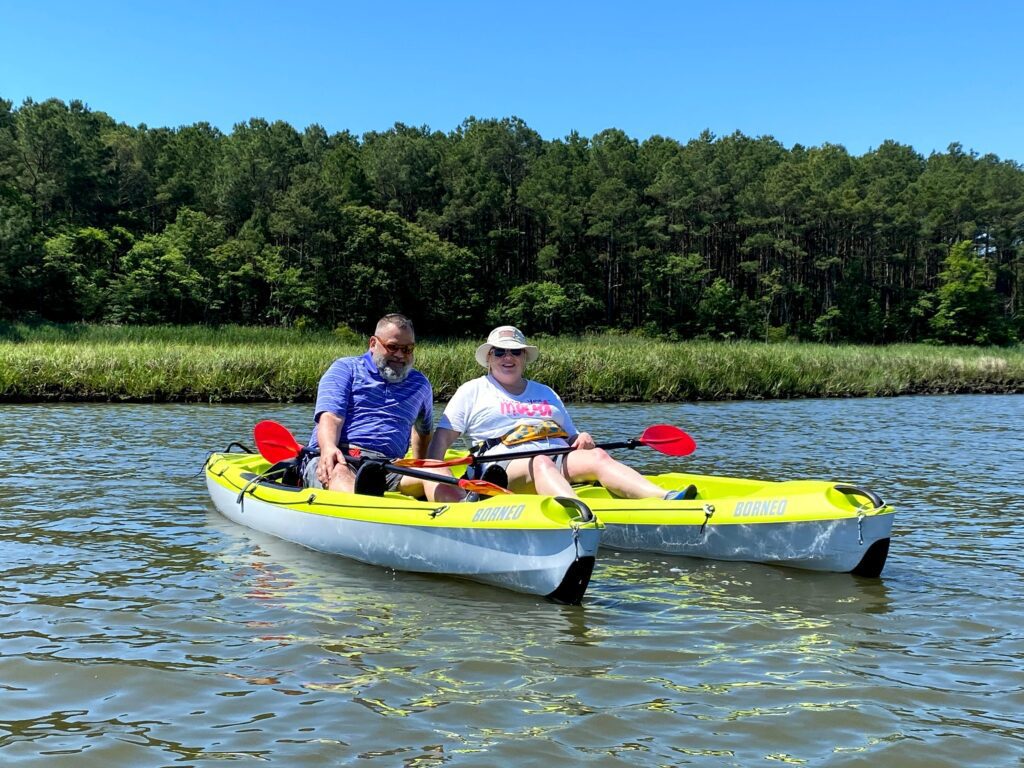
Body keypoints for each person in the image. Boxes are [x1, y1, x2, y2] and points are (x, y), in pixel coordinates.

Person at [427, 325, 690, 500]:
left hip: (557, 458)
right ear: (489, 357)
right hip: (499, 470)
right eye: (499, 352)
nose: (508, 357)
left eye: (515, 351)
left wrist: (581, 439)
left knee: (597, 455)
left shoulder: (546, 392)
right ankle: (578, 516)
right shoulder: (472, 390)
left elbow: (571, 437)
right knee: (540, 462)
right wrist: (442, 484)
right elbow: (440, 442)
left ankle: (663, 498)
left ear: (524, 357)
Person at [305, 313, 461, 502]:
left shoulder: (420, 384)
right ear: (373, 343)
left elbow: (423, 432)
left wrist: (422, 466)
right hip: (342, 456)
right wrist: (328, 447)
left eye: (407, 349)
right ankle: (362, 511)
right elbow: (331, 417)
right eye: (392, 347)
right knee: (340, 473)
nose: (400, 355)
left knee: (438, 471)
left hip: (389, 466)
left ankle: (461, 513)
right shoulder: (345, 368)